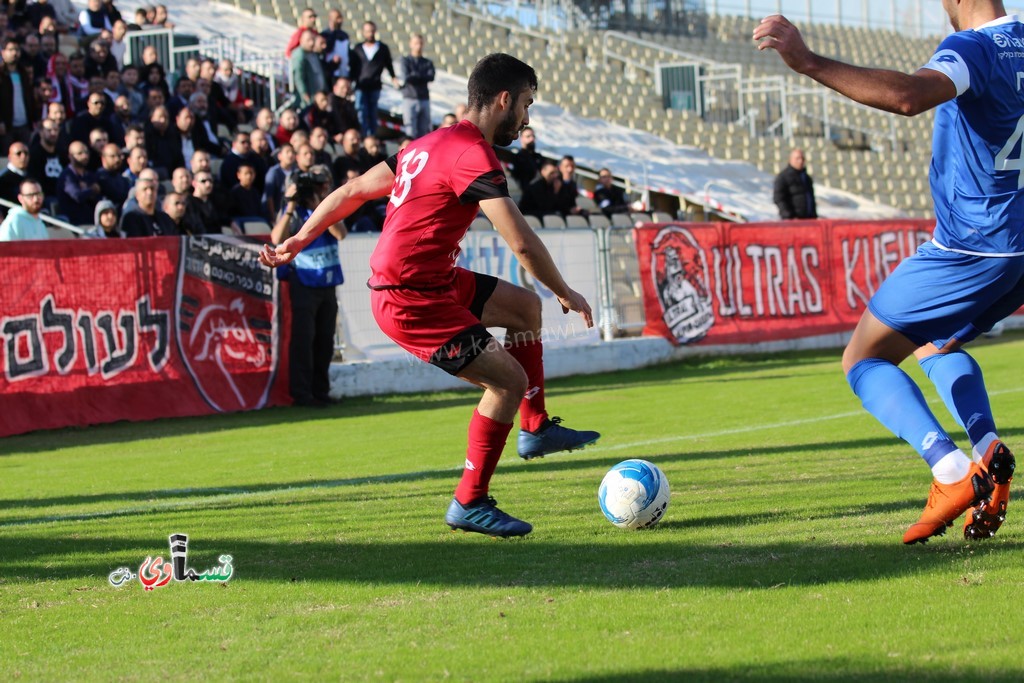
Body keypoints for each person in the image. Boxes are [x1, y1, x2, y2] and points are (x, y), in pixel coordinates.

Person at [260, 53, 600, 538]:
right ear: (503, 99)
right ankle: (470, 501)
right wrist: (566, 290)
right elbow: (520, 240)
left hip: (432, 279)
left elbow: (353, 190)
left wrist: (298, 239)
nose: (526, 118)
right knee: (506, 381)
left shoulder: (428, 144)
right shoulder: (472, 154)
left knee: (526, 309)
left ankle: (536, 427)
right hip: (408, 296)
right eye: (526, 104)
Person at [754, 5, 1020, 545]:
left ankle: (949, 473)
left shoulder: (975, 49)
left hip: (972, 247)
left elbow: (908, 96)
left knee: (863, 359)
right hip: (1019, 248)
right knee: (933, 345)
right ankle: (985, 447)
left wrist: (806, 61)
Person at [270, 165, 343, 407]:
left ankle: (321, 392)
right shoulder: (293, 210)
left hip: (328, 282)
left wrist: (319, 208)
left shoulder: (328, 205)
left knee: (325, 340)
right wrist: (291, 205)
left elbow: (341, 233)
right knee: (304, 339)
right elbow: (276, 237)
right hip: (302, 281)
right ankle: (302, 395)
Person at [349, 21, 398, 137]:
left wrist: (393, 77)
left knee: (372, 113)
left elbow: (389, 64)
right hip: (361, 86)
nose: (370, 34)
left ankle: (371, 136)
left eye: (372, 31)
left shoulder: (382, 48)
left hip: (375, 86)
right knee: (361, 111)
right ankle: (363, 135)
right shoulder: (358, 48)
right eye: (367, 31)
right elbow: (353, 67)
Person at [399, 34, 435, 139]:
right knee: (410, 130)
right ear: (410, 44)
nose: (418, 46)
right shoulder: (406, 60)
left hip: (424, 98)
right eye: (415, 43)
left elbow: (431, 77)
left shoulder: (427, 62)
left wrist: (415, 75)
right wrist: (421, 76)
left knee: (423, 131)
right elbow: (407, 77)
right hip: (410, 97)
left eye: (420, 43)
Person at [773, 148, 816, 219]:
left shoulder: (806, 178)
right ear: (790, 160)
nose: (800, 161)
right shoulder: (783, 177)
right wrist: (789, 216)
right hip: (793, 222)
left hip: (808, 221)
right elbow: (779, 198)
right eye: (797, 158)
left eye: (802, 158)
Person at [508, 125, 541, 189]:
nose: (532, 139)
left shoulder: (539, 157)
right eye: (528, 136)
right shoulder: (517, 158)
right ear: (521, 138)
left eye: (533, 136)